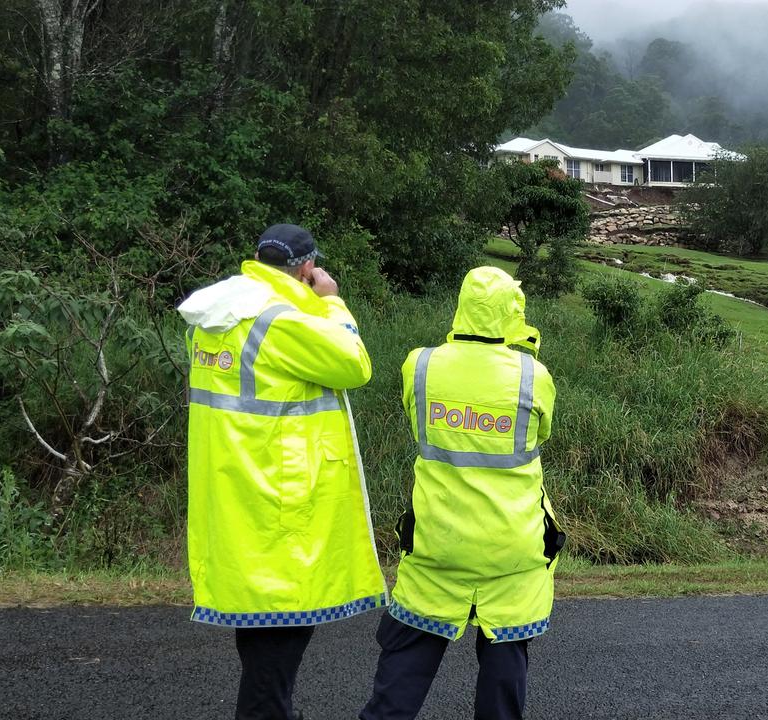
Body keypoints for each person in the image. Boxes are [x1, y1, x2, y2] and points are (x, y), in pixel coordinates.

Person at [178, 223, 387, 720]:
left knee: (260, 644)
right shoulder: (281, 322)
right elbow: (353, 364)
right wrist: (331, 302)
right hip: (281, 507)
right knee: (275, 655)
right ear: (308, 268)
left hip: (233, 497)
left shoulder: (216, 315)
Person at [359, 266, 565, 720]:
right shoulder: (534, 376)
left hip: (438, 541)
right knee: (504, 666)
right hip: (511, 548)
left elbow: (417, 423)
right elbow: (541, 432)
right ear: (514, 312)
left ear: (462, 306)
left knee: (405, 663)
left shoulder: (421, 364)